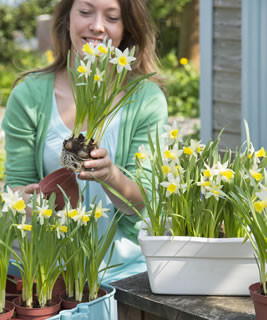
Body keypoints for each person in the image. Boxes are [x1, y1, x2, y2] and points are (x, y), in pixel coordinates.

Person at [2, 0, 168, 284]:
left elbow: (144, 198)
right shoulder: (29, 96)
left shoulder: (145, 99)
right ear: (67, 18)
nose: (97, 26)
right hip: (47, 273)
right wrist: (28, 203)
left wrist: (110, 175)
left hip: (121, 274)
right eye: (86, 12)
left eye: (112, 16)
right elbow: (16, 185)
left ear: (126, 27)